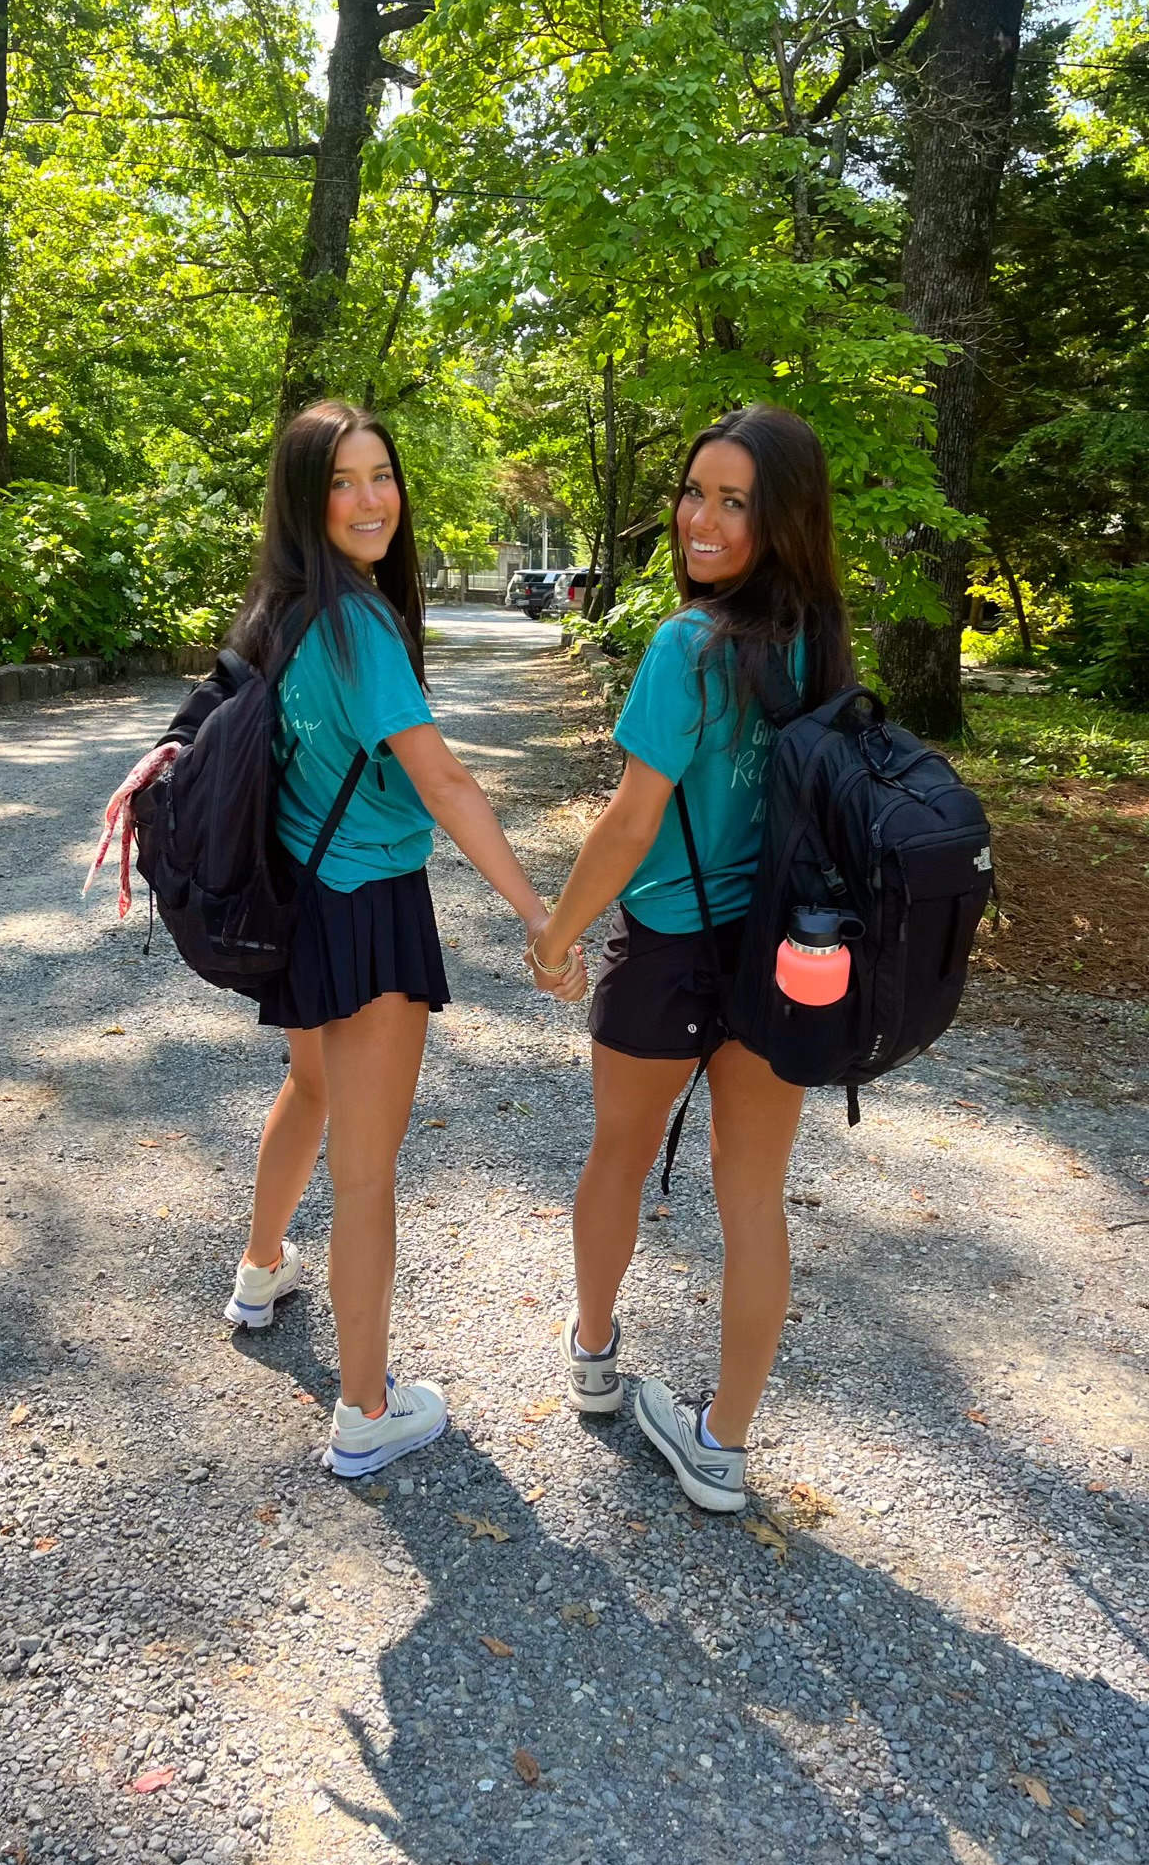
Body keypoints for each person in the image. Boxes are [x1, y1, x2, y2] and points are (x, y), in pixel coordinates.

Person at [218, 400, 583, 1478]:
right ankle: (366, 1411)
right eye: (342, 481)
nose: (370, 498)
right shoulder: (358, 624)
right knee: (367, 1173)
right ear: (305, 498)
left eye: (380, 475)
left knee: (312, 1088)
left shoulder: (280, 609)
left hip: (298, 897)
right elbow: (445, 781)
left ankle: (259, 1271)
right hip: (366, 904)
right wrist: (539, 915)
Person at [526, 405, 853, 1513]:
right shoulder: (819, 643)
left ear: (781, 520)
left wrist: (556, 934)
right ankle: (723, 1443)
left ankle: (594, 1354)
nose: (701, 520)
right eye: (694, 492)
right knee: (753, 1199)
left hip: (669, 946)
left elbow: (631, 822)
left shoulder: (687, 645)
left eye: (734, 502)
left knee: (616, 1159)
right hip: (785, 958)